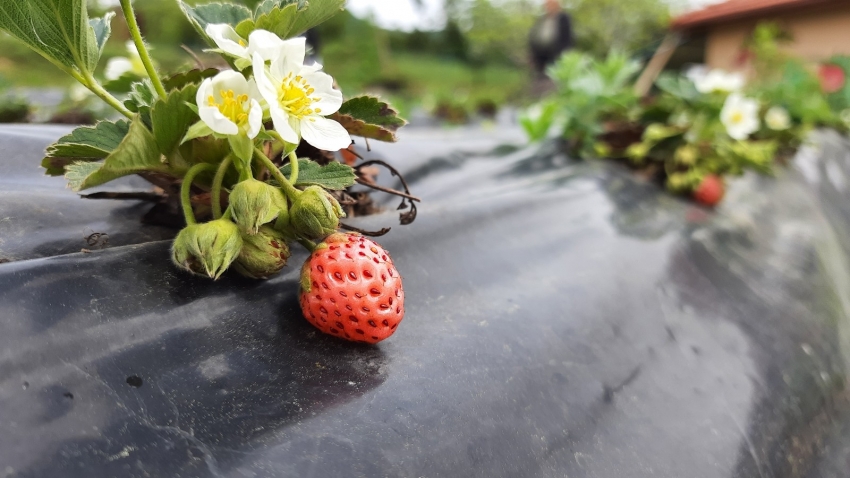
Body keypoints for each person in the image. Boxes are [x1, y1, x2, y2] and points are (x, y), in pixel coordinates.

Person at [529, 0, 575, 77]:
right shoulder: (542, 19)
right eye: (547, 5)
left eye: (551, 5)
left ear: (558, 6)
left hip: (557, 54)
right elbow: (534, 35)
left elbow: (568, 38)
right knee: (540, 78)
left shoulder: (564, 18)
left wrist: (565, 54)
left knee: (554, 78)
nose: (549, 7)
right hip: (540, 55)